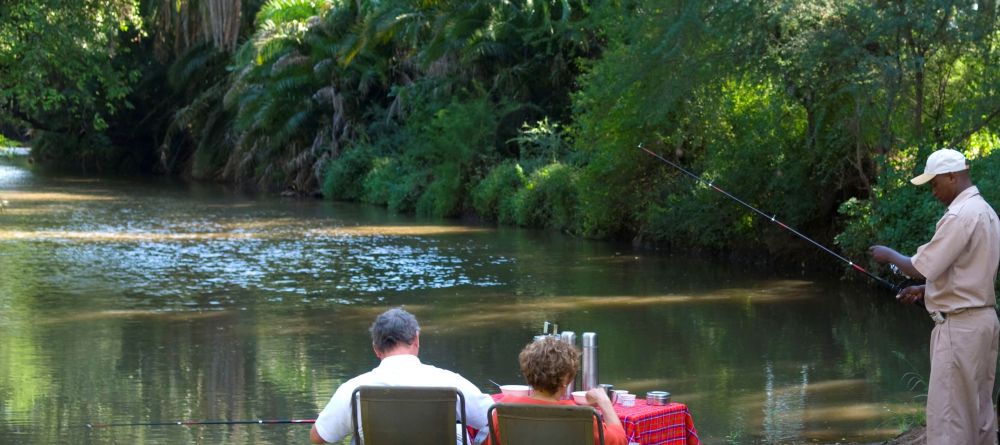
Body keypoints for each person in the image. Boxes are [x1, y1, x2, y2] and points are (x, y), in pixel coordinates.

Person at [869, 148, 1000, 445]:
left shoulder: (960, 215)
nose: (933, 191)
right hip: (984, 323)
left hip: (960, 330)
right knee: (979, 413)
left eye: (934, 183)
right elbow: (971, 275)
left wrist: (888, 254)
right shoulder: (987, 212)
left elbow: (919, 266)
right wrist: (927, 291)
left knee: (950, 417)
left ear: (952, 176)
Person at [310, 307, 494, 445]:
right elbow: (493, 417)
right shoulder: (450, 383)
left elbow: (318, 436)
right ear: (416, 340)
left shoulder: (354, 389)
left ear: (376, 348)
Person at [490, 336, 626, 445]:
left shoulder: (504, 408)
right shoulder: (578, 416)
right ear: (566, 380)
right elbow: (620, 442)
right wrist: (605, 402)